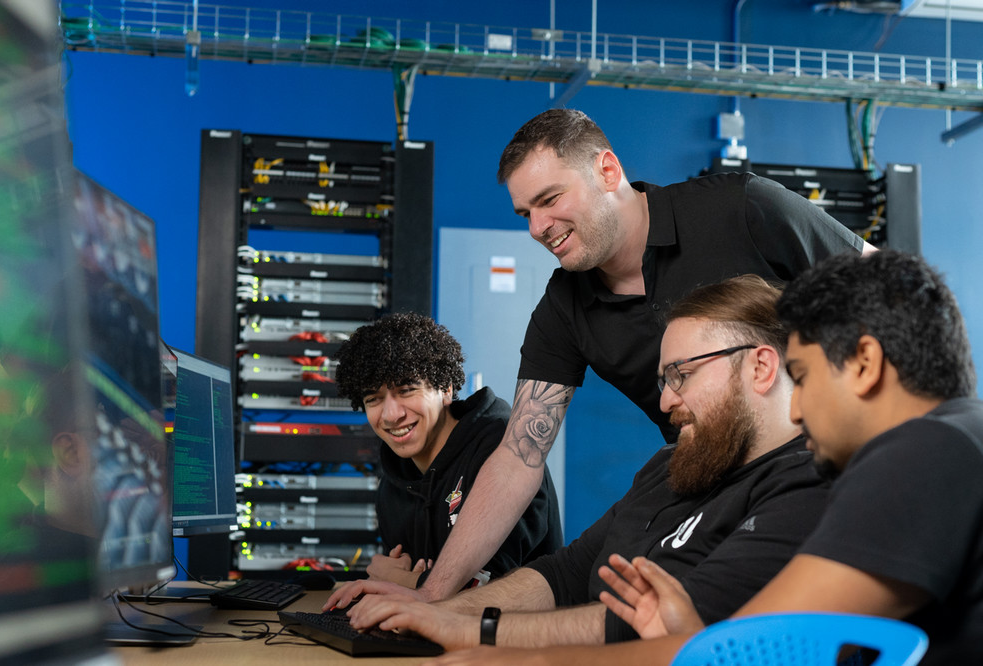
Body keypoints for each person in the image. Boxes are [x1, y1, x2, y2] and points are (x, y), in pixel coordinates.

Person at [332, 108, 872, 604]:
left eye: (549, 200)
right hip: (709, 486)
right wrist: (433, 596)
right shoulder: (563, 308)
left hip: (825, 472)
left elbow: (890, 290)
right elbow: (519, 458)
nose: (537, 228)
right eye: (525, 212)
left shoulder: (743, 207)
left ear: (608, 171)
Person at [431, 249, 982, 666]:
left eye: (806, 377)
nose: (801, 405)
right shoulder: (960, 437)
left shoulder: (924, 452)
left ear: (864, 363)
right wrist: (694, 635)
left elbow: (746, 647)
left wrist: (516, 659)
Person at [331, 275, 830, 651]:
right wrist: (432, 609)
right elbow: (565, 573)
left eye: (681, 375)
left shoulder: (807, 487)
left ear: (761, 366)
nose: (665, 403)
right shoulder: (670, 466)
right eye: (664, 381)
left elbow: (647, 630)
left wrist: (468, 629)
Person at [333, 312, 562, 590]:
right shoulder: (394, 485)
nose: (391, 415)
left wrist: (393, 578)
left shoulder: (504, 452)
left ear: (445, 388)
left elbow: (489, 592)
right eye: (374, 399)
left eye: (406, 390)